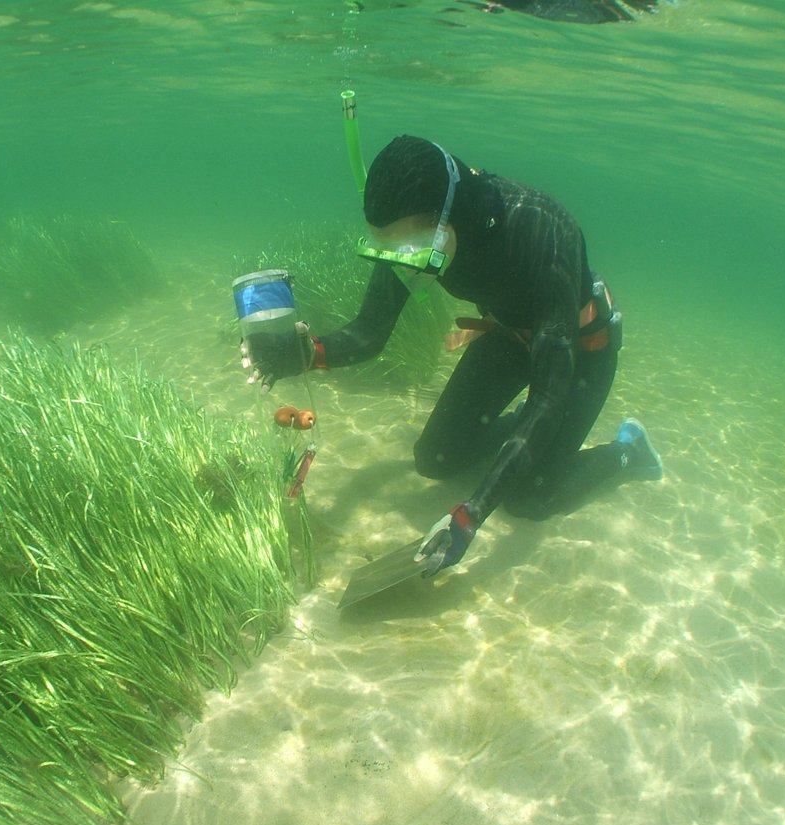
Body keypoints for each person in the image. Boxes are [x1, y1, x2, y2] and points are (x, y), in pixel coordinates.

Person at [244, 135, 662, 577]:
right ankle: (524, 434)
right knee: (435, 459)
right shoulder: (416, 234)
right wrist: (306, 353)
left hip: (578, 351)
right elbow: (369, 333)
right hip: (511, 339)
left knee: (529, 497)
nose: (404, 266)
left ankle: (629, 452)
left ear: (446, 222)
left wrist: (472, 513)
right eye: (387, 250)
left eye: (410, 252)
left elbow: (549, 397)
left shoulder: (545, 233)